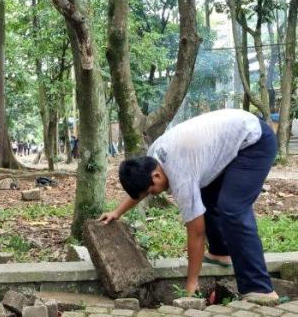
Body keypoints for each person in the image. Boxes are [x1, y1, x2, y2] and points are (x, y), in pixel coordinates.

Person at [99, 109, 279, 301]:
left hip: (254, 141)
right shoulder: (152, 158)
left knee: (232, 209)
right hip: (232, 139)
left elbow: (196, 232)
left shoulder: (180, 176)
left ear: (156, 176)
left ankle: (260, 288)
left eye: (152, 192)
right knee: (206, 193)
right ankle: (221, 252)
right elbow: (143, 189)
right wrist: (117, 212)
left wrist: (192, 282)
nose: (153, 194)